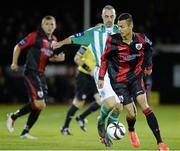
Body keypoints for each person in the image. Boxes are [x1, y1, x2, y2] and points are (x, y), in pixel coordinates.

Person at [53, 5, 139, 148]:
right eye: (106, 16)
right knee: (111, 103)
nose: (109, 19)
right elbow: (74, 38)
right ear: (102, 17)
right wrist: (60, 43)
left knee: (119, 107)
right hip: (102, 73)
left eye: (112, 16)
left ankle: (109, 132)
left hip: (118, 74)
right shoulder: (93, 33)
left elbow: (134, 44)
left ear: (115, 17)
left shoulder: (121, 31)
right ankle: (100, 123)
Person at [98, 13, 169, 151]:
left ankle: (160, 143)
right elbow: (104, 59)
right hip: (119, 82)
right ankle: (131, 129)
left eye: (122, 27)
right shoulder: (112, 40)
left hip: (136, 77)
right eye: (118, 27)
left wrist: (149, 66)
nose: (120, 29)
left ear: (131, 26)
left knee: (145, 105)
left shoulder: (141, 39)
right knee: (131, 113)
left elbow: (149, 48)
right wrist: (101, 77)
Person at [6, 15, 65, 139]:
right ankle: (13, 117)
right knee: (39, 103)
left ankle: (25, 132)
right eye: (47, 24)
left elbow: (49, 57)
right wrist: (14, 63)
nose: (49, 27)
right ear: (42, 25)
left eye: (52, 24)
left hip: (41, 74)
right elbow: (18, 47)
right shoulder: (35, 36)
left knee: (41, 104)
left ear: (55, 26)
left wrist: (57, 59)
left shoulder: (54, 40)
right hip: (31, 72)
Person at [61, 45, 102, 135]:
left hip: (95, 77)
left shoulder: (101, 44)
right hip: (84, 76)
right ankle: (65, 127)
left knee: (101, 101)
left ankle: (81, 117)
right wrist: (89, 69)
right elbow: (76, 58)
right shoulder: (86, 45)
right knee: (78, 103)